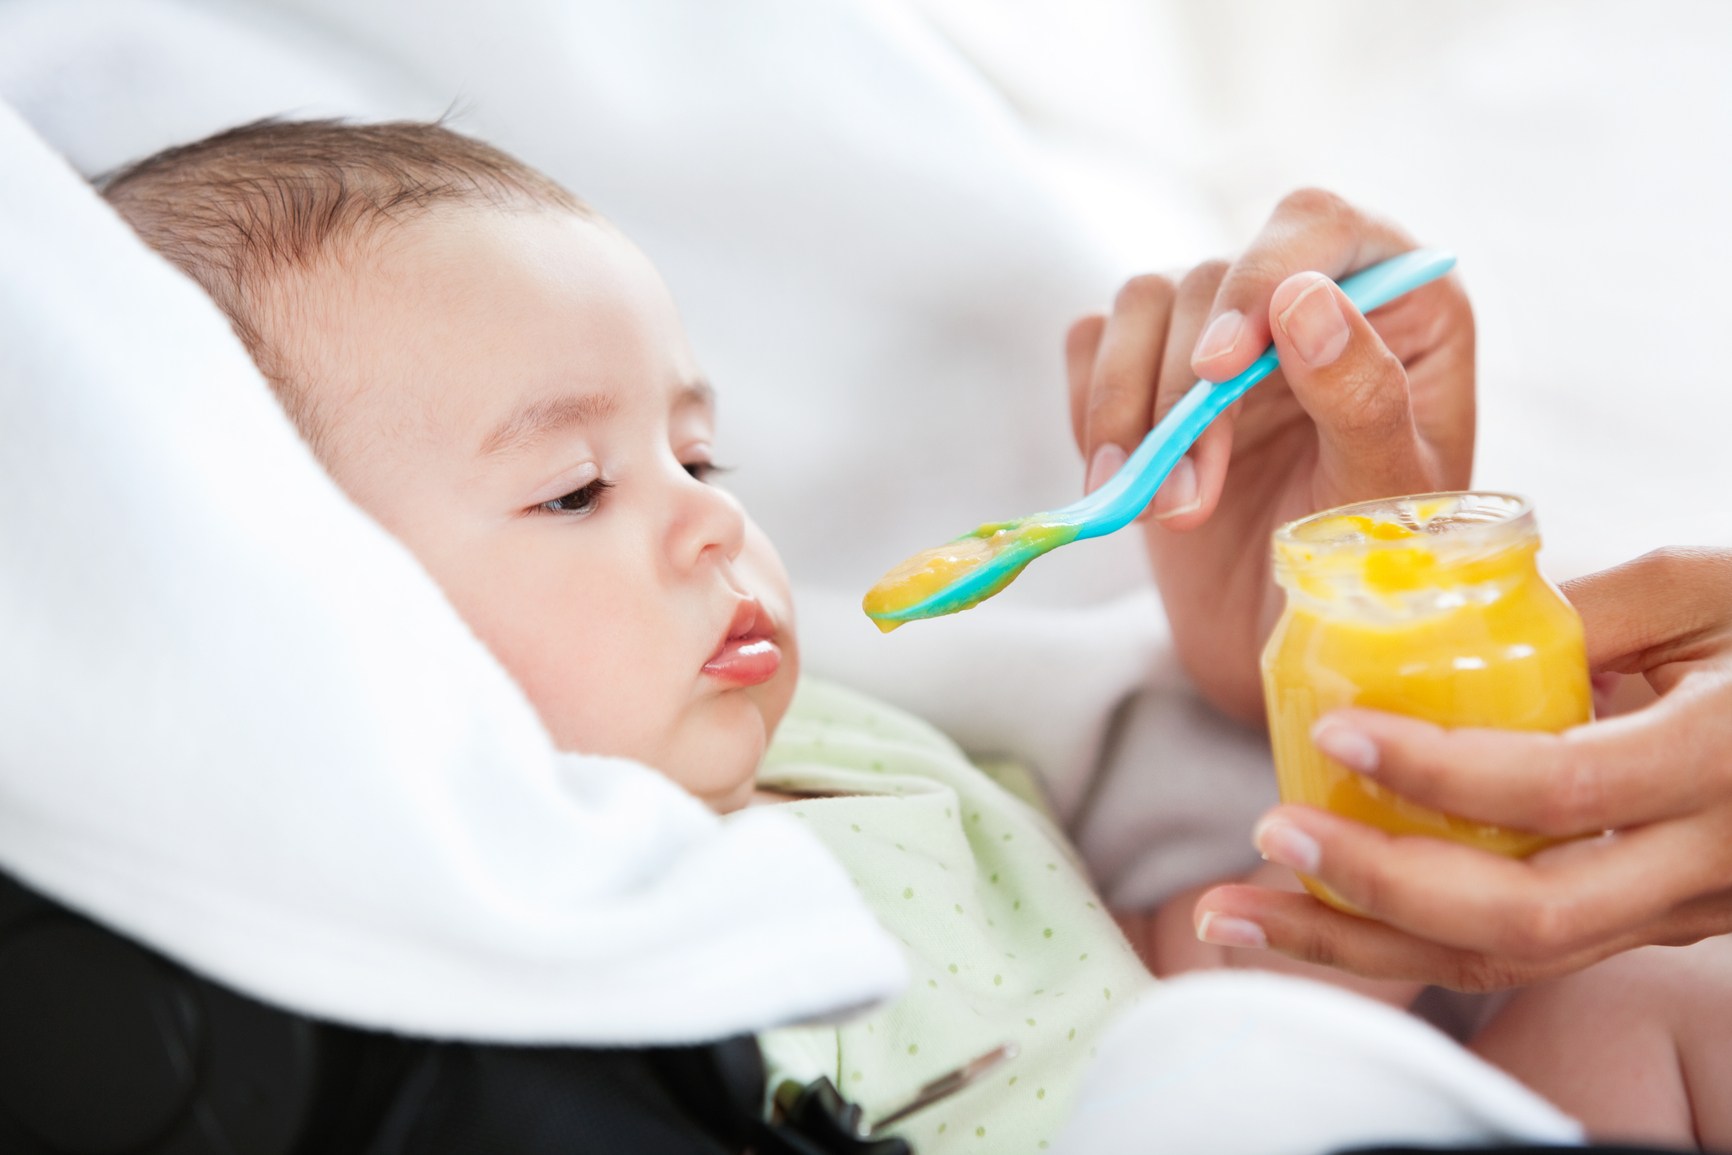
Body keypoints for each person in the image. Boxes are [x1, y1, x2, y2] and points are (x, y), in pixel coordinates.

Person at [98, 119, 1721, 1151]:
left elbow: (1119, 966)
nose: (710, 520)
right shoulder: (502, 921)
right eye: (578, 490)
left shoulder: (868, 753)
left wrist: (1340, 890)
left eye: (698, 453)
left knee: (1651, 1006)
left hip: (1232, 1089)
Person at [1064, 189, 1732, 1148]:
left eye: (754, 482)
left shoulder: (891, 781)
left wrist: (1414, 761)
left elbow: (1183, 1000)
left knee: (1643, 999)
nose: (754, 526)